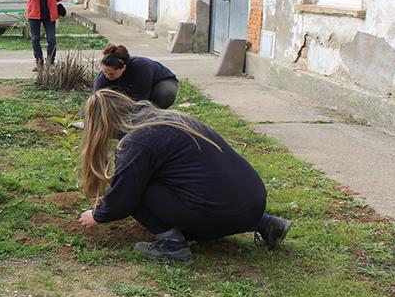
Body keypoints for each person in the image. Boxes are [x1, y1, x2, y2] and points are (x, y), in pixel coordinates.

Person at [76, 89, 291, 263]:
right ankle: (267, 224)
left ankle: (171, 246)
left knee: (135, 186)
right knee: (184, 181)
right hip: (253, 204)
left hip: (220, 214)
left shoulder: (137, 142)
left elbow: (124, 196)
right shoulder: (171, 119)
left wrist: (98, 215)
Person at [16, 0, 76, 71]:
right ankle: (39, 63)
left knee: (51, 40)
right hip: (34, 14)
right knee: (35, 39)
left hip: (50, 14)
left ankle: (50, 63)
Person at [94, 45, 179, 109]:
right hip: (133, 86)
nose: (107, 76)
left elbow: (140, 99)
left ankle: (154, 117)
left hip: (160, 82)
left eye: (111, 74)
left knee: (163, 94)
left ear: (123, 67)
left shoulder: (141, 66)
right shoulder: (105, 75)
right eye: (104, 72)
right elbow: (98, 99)